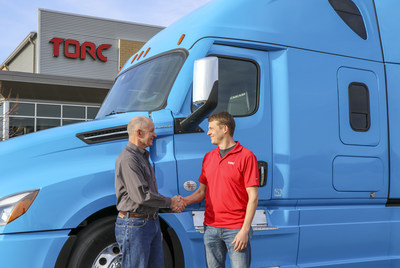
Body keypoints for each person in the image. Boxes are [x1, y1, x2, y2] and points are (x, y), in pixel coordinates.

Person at [182, 112, 259, 268]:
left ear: (225, 129)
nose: (208, 132)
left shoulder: (246, 156)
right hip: (211, 228)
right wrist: (183, 201)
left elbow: (253, 197)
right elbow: (201, 192)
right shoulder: (208, 157)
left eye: (211, 128)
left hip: (236, 229)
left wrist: (244, 230)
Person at [115, 116, 185, 268]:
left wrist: (153, 224)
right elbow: (142, 196)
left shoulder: (141, 157)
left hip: (147, 223)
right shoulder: (129, 159)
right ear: (139, 133)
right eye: (152, 131)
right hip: (135, 225)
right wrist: (171, 202)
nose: (155, 135)